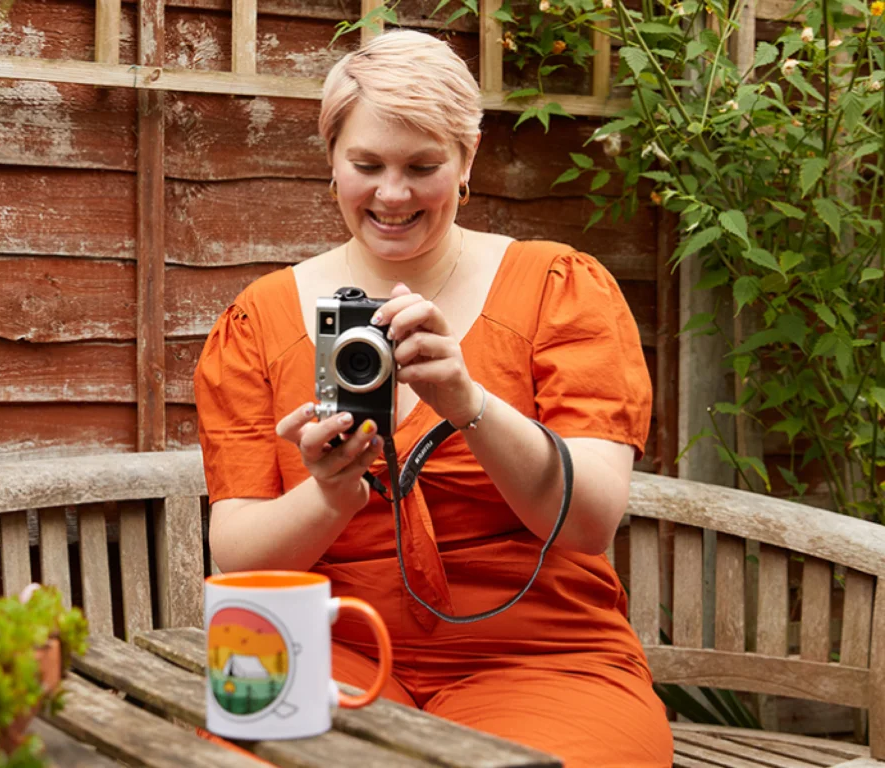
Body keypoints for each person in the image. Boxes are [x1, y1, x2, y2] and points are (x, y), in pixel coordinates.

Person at [194, 29, 673, 768]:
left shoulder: (557, 288)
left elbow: (588, 523)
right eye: (367, 165)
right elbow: (237, 557)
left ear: (467, 161)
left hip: (542, 659)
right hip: (326, 645)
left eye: (423, 166)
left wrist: (466, 399)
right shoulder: (260, 319)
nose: (393, 194)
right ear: (331, 163)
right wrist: (328, 494)